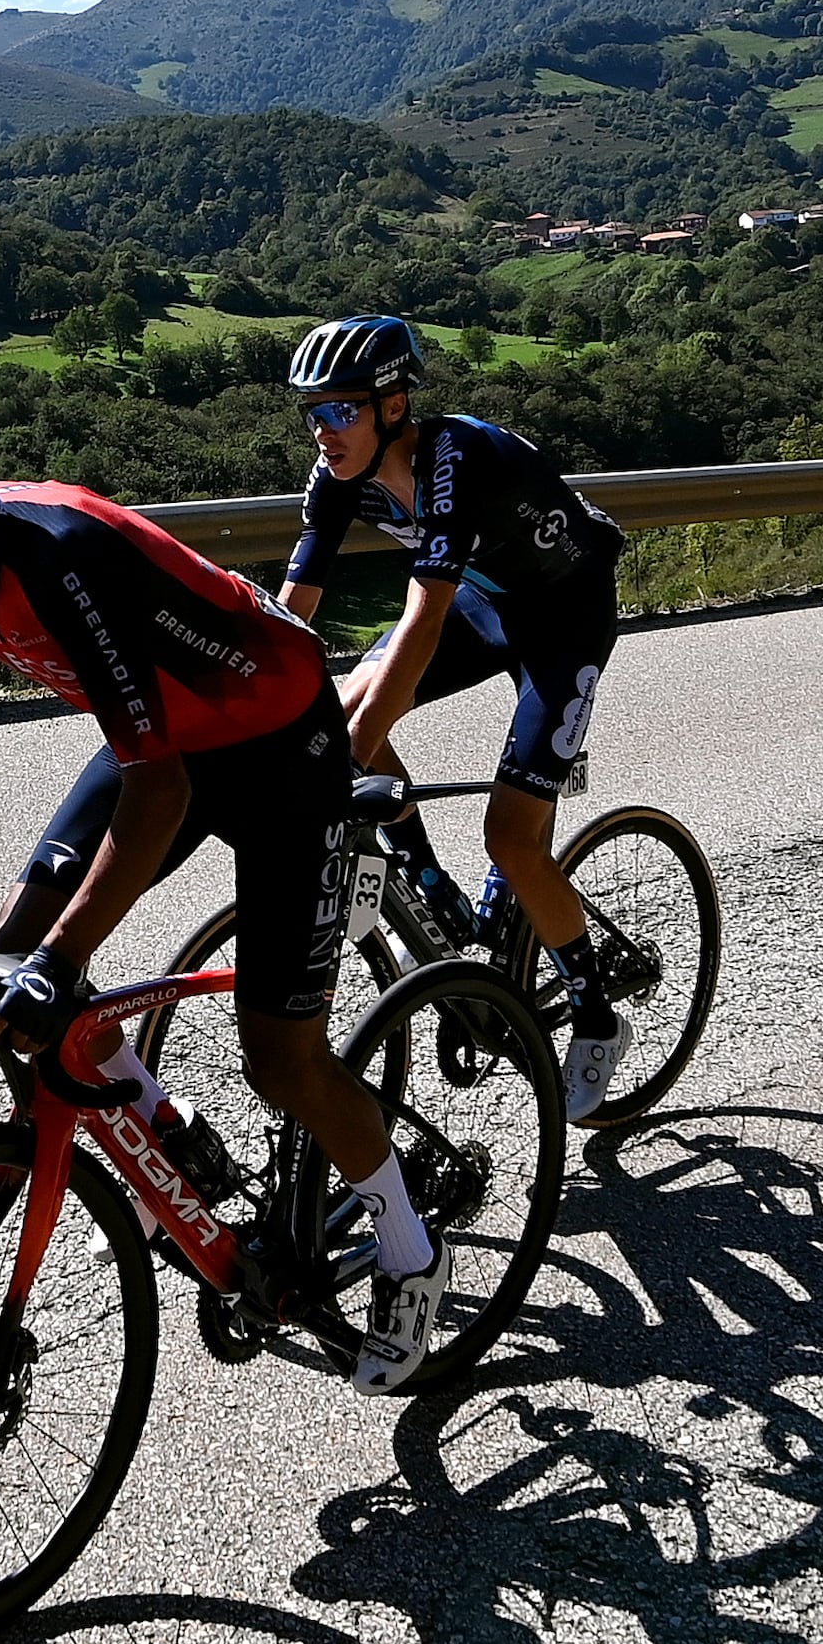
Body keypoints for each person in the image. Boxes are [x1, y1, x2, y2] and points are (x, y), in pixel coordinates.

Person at [0, 366, 436, 1387]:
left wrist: (66, 954)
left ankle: (408, 1248)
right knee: (9, 971)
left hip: (274, 746)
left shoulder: (62, 559)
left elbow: (158, 794)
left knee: (280, 1057)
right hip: (164, 744)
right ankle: (171, 1149)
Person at [272, 315, 640, 1119]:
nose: (323, 431)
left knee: (510, 836)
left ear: (393, 405)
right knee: (329, 714)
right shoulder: (334, 476)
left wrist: (340, 767)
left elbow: (422, 620)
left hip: (567, 615)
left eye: (340, 410)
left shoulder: (455, 460)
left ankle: (595, 1013)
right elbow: (292, 616)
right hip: (494, 601)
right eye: (313, 413)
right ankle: (430, 883)